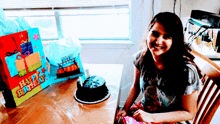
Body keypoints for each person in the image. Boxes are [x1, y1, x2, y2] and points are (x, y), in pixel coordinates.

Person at [116, 12, 203, 124]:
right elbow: (136, 86)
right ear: (148, 33)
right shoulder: (141, 58)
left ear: (174, 40)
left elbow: (189, 113)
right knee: (117, 118)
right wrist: (124, 109)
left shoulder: (187, 70)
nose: (158, 41)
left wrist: (152, 118)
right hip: (146, 111)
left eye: (166, 37)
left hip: (173, 120)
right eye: (155, 34)